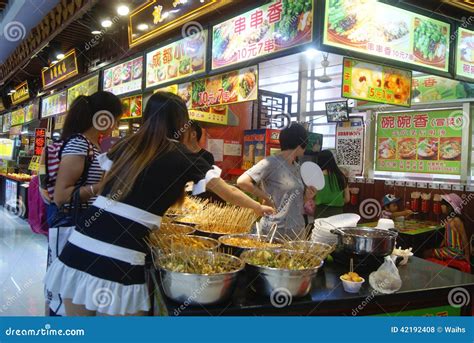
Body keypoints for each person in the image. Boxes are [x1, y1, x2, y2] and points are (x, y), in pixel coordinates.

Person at [44, 92, 274, 316]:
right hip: (121, 252)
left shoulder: (127, 145)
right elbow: (229, 192)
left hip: (79, 244)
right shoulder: (184, 158)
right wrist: (258, 208)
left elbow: (107, 187)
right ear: (182, 122)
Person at [44, 91, 123, 316]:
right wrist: (102, 187)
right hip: (70, 226)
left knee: (70, 292)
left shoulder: (91, 145)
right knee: (63, 295)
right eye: (116, 118)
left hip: (81, 228)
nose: (116, 124)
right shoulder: (79, 144)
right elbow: (62, 195)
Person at [237, 123, 316, 239]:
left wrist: (307, 197)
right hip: (275, 229)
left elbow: (295, 201)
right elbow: (242, 181)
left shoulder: (297, 167)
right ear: (300, 143)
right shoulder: (271, 162)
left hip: (297, 230)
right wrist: (266, 197)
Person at [182, 121, 223, 203]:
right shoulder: (180, 155)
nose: (180, 135)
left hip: (201, 201)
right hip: (183, 200)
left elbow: (210, 181)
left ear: (193, 135)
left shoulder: (207, 156)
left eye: (184, 132)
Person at [424, 193, 470, 263]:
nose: (441, 206)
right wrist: (440, 246)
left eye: (443, 204)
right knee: (428, 251)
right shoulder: (448, 219)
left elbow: (464, 237)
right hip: (449, 249)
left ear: (450, 206)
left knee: (426, 253)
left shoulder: (456, 220)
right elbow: (446, 236)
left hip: (456, 252)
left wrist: (467, 254)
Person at [313, 150, 350, 218]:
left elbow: (312, 196)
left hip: (320, 213)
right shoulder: (341, 176)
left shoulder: (316, 177)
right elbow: (347, 199)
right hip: (337, 213)